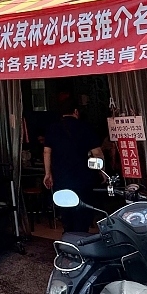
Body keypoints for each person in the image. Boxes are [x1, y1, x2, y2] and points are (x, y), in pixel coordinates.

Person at [43, 93, 104, 233]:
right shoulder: (85, 127)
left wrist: (48, 173)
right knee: (83, 213)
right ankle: (81, 239)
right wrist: (101, 171)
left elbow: (47, 152)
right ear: (76, 111)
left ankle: (68, 238)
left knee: (66, 212)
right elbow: (97, 153)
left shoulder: (52, 128)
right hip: (83, 179)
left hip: (61, 179)